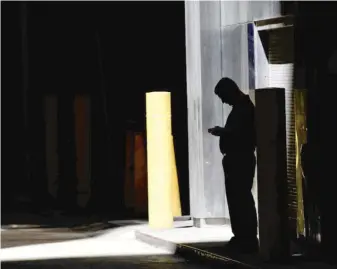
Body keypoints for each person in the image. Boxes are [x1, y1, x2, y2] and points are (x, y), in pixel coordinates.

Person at [208, 77, 258, 254]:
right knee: (238, 199)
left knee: (241, 199)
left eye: (223, 96)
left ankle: (246, 238)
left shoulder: (244, 109)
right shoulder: (241, 108)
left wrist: (223, 131)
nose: (223, 101)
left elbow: (242, 134)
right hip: (236, 159)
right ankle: (242, 236)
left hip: (240, 159)